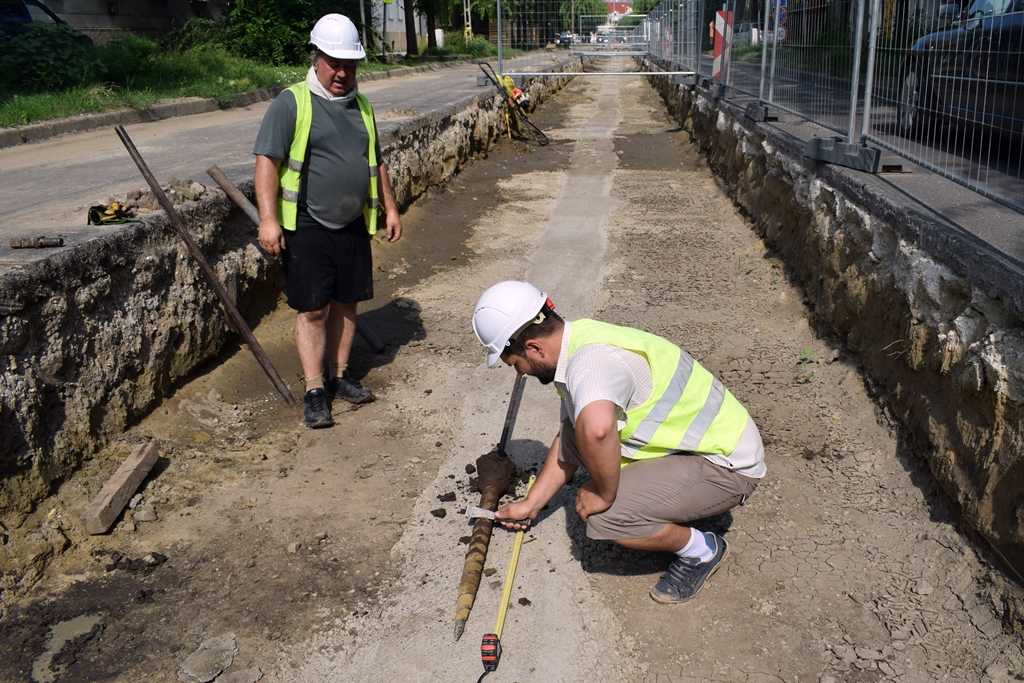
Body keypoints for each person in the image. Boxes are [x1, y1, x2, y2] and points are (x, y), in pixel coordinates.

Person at [471, 281, 766, 603]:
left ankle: (702, 550)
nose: (520, 374)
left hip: (727, 466)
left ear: (534, 348)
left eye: (516, 364)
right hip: (704, 445)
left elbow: (598, 431)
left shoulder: (592, 364)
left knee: (608, 516)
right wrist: (532, 503)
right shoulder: (579, 339)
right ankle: (663, 502)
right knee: (579, 427)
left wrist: (604, 491)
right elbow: (573, 431)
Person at [253, 13, 402, 429]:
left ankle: (340, 376)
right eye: (335, 64)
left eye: (350, 65)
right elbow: (267, 161)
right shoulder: (292, 102)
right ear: (316, 58)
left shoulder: (362, 105)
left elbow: (377, 160)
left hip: (353, 221)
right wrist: (268, 219)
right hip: (307, 224)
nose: (342, 73)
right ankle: (315, 388)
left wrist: (390, 207)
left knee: (347, 303)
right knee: (313, 310)